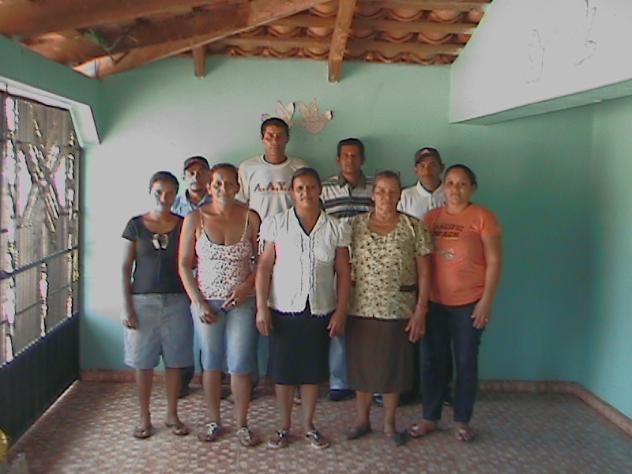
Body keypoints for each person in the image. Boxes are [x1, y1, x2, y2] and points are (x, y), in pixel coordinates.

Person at [256, 168, 351, 450]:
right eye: (300, 188)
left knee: (312, 371)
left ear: (320, 190)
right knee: (284, 372)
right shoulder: (277, 224)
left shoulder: (335, 227)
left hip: (320, 308)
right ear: (292, 192)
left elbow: (344, 272)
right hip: (283, 308)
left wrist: (341, 311)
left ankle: (309, 426)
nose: (305, 193)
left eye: (311, 187)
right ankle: (284, 427)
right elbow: (264, 267)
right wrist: (261, 308)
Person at [408, 164, 502, 442]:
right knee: (432, 361)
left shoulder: (483, 217)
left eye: (462, 184)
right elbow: (422, 262)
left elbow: (495, 261)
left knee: (465, 361)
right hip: (434, 303)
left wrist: (486, 301)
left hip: (469, 304)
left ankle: (462, 420)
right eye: (450, 183)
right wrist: (420, 303)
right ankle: (429, 417)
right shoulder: (431, 218)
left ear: (472, 188)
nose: (455, 189)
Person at [345, 170, 432, 446]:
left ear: (400, 195)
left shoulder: (414, 227)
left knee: (394, 369)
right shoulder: (354, 226)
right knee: (362, 368)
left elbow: (425, 273)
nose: (386, 196)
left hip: (398, 309)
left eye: (392, 191)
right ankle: (362, 420)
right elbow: (342, 267)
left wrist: (421, 309)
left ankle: (389, 424)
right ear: (373, 194)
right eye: (381, 190)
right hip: (360, 307)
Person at [178, 163, 261, 447]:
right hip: (206, 303)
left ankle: (242, 424)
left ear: (238, 187)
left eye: (229, 184)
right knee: (211, 363)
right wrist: (198, 302)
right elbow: (184, 265)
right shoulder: (195, 219)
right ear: (209, 187)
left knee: (240, 363)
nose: (223, 189)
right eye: (217, 184)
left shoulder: (251, 218)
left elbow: (263, 261)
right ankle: (214, 421)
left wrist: (247, 287)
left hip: (242, 302)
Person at [121, 171, 193, 439]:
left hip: (177, 301)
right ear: (150, 192)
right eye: (159, 192)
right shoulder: (135, 225)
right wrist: (126, 306)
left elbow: (192, 262)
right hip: (142, 302)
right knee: (143, 362)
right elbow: (125, 267)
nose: (164, 197)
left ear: (176, 195)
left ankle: (172, 414)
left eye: (170, 193)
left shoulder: (184, 224)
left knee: (175, 361)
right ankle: (144, 416)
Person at [237, 117, 307, 391]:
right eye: (269, 135)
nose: (274, 140)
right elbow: (242, 208)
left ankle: (288, 377)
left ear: (287, 138)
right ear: (262, 139)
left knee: (287, 313)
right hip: (257, 248)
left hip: (291, 249)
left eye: (279, 135)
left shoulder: (298, 167)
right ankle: (250, 378)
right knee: (254, 312)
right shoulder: (248, 168)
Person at [320, 138, 373, 402]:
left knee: (367, 323)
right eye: (345, 156)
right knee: (338, 317)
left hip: (370, 264)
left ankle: (370, 381)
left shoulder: (375, 188)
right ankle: (339, 381)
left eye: (355, 155)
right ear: (338, 159)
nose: (350, 160)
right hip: (335, 264)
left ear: (363, 159)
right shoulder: (324, 189)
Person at [398, 146, 450, 406]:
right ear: (415, 169)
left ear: (441, 167)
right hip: (413, 274)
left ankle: (442, 390)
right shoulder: (406, 197)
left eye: (432, 164)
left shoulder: (451, 193)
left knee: (441, 335)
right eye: (422, 165)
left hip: (446, 276)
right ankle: (410, 387)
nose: (427, 169)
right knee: (412, 333)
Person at [172, 155, 212, 397]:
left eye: (201, 172)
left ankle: (212, 380)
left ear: (209, 176)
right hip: (181, 274)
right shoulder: (174, 206)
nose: (196, 177)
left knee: (210, 330)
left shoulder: (218, 202)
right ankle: (183, 378)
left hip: (211, 277)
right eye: (191, 173)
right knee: (181, 330)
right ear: (184, 177)